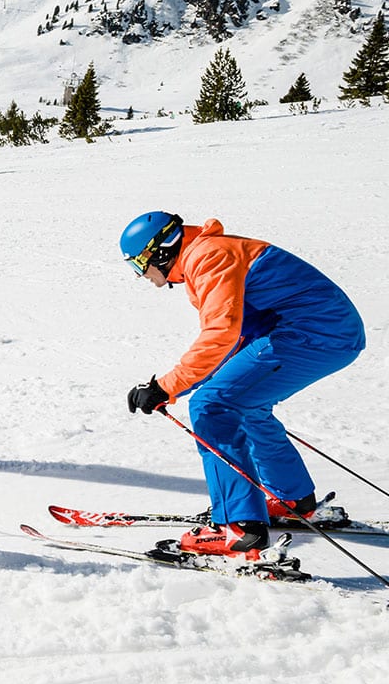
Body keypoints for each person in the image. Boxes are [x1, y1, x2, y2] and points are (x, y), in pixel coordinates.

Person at [120, 212, 365, 560]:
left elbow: (221, 335)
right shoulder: (205, 255)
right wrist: (168, 388)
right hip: (322, 331)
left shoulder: (208, 256)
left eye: (139, 265)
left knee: (212, 406)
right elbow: (234, 343)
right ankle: (292, 499)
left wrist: (166, 386)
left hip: (312, 333)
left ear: (159, 251)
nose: (142, 275)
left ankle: (239, 529)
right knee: (241, 403)